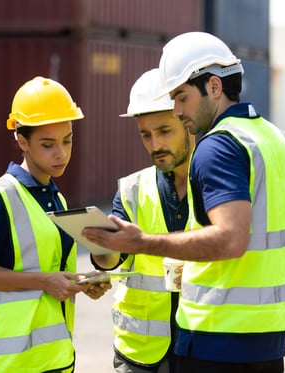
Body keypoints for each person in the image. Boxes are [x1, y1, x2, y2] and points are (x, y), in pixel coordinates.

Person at [83, 31, 285, 373]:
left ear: (214, 88)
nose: (178, 110)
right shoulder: (277, 139)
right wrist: (264, 241)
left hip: (215, 333)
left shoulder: (217, 147)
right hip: (266, 335)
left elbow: (230, 238)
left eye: (181, 98)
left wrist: (142, 242)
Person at [0, 76, 111, 373]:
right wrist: (45, 281)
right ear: (22, 140)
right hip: (6, 365)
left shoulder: (57, 199)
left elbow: (46, 269)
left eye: (67, 140)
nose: (61, 153)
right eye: (48, 144)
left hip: (53, 360)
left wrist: (80, 283)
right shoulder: (0, 197)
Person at [90, 68, 192, 373]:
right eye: (145, 135)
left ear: (188, 123)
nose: (154, 144)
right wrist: (101, 249)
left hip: (202, 346)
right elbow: (110, 261)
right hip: (141, 352)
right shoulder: (131, 189)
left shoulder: (217, 185)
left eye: (164, 131)